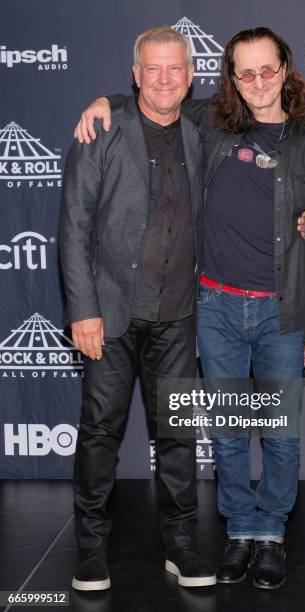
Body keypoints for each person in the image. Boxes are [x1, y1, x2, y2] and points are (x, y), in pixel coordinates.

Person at [74, 26, 305, 591]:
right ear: (231, 80)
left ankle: (270, 534)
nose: (258, 82)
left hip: (280, 311)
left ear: (285, 70)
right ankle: (240, 528)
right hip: (214, 306)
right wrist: (107, 100)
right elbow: (154, 97)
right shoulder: (213, 125)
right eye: (246, 72)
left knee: (280, 434)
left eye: (268, 69)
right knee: (225, 432)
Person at [59, 26, 217, 591]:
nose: (166, 78)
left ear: (191, 75)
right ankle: (91, 549)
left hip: (177, 312)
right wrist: (83, 309)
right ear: (136, 74)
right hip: (110, 311)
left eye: (176, 68)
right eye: (154, 68)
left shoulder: (200, 131)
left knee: (178, 434)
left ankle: (180, 545)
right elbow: (74, 227)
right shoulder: (102, 129)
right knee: (100, 430)